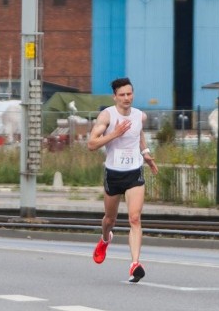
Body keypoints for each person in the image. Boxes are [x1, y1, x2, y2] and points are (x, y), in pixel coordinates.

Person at [87, 77, 158, 283]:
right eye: (122, 95)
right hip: (113, 173)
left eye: (129, 94)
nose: (127, 98)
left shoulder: (139, 116)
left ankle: (134, 264)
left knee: (134, 218)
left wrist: (145, 153)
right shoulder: (107, 115)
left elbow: (138, 134)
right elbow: (91, 144)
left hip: (134, 172)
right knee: (109, 220)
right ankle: (105, 238)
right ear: (115, 97)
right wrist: (114, 134)